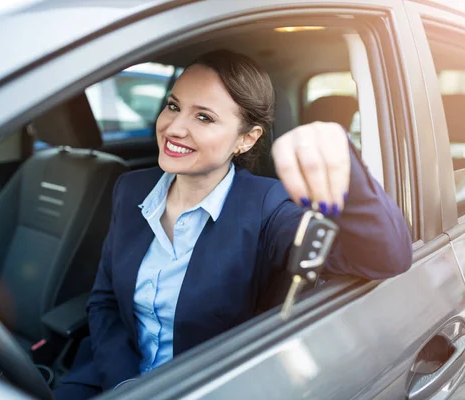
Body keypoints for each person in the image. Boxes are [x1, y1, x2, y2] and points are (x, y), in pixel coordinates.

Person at [53, 50, 412, 399]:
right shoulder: (130, 187)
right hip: (113, 379)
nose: (174, 128)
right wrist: (125, 384)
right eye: (174, 106)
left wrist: (342, 158)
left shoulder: (269, 208)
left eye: (204, 117)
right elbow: (104, 302)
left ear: (246, 139)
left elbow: (386, 257)